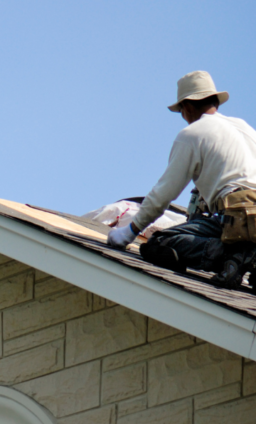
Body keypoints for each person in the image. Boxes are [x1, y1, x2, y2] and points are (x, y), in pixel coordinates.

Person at [107, 71, 256, 278]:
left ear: (186, 107)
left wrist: (129, 232)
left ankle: (233, 256)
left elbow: (164, 194)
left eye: (181, 112)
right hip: (245, 222)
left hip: (236, 219)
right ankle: (249, 260)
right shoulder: (245, 128)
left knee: (159, 243)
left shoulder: (194, 133)